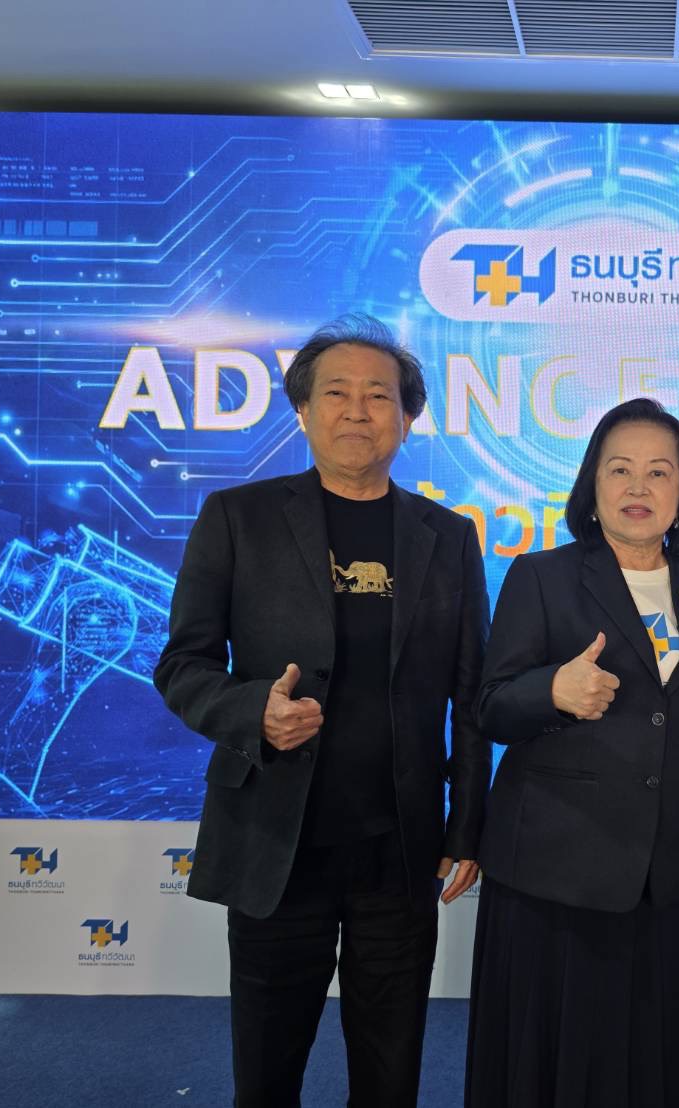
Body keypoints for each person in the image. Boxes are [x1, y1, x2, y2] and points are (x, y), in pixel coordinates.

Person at [153, 314, 490, 1107]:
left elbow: (471, 693)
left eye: (379, 396)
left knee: (389, 1068)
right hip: (277, 839)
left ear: (406, 418)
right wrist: (253, 713)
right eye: (336, 393)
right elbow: (183, 665)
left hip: (398, 848)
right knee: (267, 1068)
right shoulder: (238, 518)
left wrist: (467, 825)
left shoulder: (447, 536)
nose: (357, 411)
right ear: (302, 410)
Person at [465, 398, 679, 1108]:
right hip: (554, 865)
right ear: (592, 484)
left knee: (640, 1057)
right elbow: (490, 706)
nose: (638, 486)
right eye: (620, 469)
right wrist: (552, 689)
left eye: (659, 472)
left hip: (657, 867)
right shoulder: (542, 575)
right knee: (551, 1058)